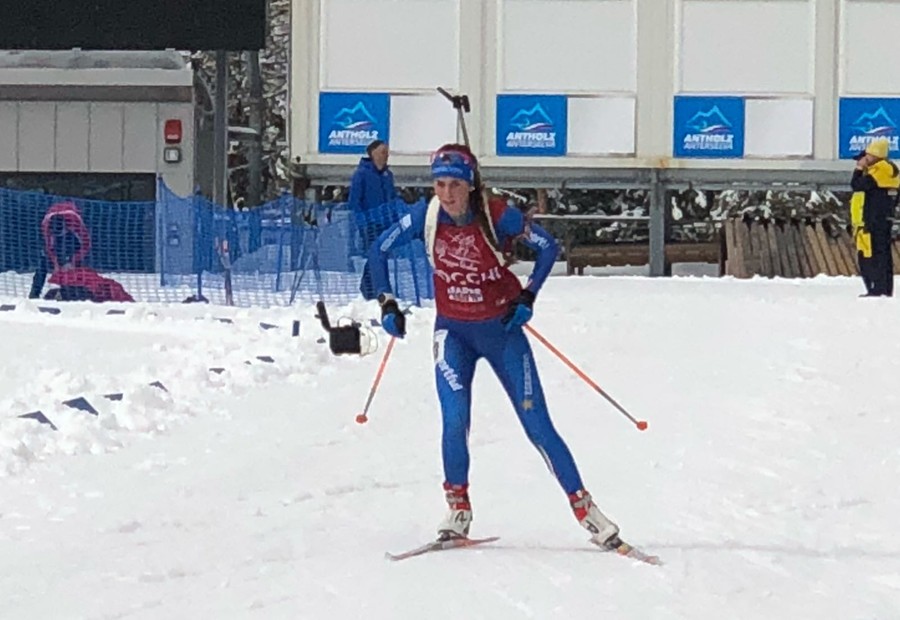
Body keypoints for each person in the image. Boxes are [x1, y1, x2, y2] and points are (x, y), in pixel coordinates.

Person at [367, 143, 623, 549]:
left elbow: (547, 248)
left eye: (455, 185)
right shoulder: (426, 215)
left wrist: (528, 297)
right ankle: (457, 511)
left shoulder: (496, 214)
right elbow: (378, 249)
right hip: (453, 333)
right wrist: (387, 303)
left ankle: (588, 512)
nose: (447, 194)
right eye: (439, 184)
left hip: (501, 333)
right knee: (454, 421)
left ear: (470, 186)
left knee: (536, 424)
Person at [349, 140, 398, 299]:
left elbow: (391, 198)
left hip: (386, 224)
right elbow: (354, 200)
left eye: (387, 153)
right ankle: (370, 289)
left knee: (381, 255)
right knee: (375, 254)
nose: (386, 156)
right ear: (373, 153)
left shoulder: (387, 175)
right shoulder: (361, 174)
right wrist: (362, 221)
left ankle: (374, 287)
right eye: (383, 152)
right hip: (370, 224)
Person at [850, 137, 899, 297]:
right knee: (883, 254)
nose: (865, 160)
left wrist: (858, 169)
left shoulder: (879, 170)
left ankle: (875, 288)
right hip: (884, 218)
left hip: (871, 220)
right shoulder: (892, 171)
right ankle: (884, 288)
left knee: (870, 255)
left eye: (868, 156)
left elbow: (856, 185)